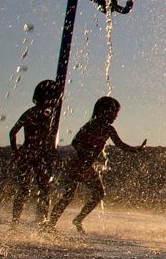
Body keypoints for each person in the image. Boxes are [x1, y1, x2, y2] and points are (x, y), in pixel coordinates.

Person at [46, 96, 146, 233]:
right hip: (76, 164)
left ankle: (78, 219)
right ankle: (51, 224)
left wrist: (136, 149)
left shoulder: (109, 129)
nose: (115, 116)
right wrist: (85, 152)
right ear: (102, 111)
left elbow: (120, 145)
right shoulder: (90, 125)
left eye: (116, 113)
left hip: (86, 167)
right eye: (113, 112)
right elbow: (75, 142)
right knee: (68, 195)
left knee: (99, 193)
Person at [8, 79, 60, 224]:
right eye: (56, 98)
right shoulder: (46, 115)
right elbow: (47, 138)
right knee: (44, 189)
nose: (57, 101)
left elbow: (12, 132)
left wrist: (16, 152)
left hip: (26, 153)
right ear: (50, 98)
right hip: (38, 156)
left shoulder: (30, 112)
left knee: (23, 190)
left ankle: (15, 222)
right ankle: (43, 221)